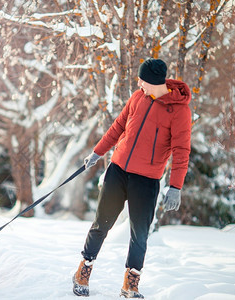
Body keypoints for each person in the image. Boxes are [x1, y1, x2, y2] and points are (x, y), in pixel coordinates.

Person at [72, 58, 191, 298]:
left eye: (142, 80)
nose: (139, 84)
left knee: (139, 234)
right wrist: (97, 153)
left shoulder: (179, 111)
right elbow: (118, 127)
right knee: (100, 224)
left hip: (146, 181)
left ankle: (131, 282)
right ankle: (83, 270)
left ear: (155, 82)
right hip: (117, 171)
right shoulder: (138, 97)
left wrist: (175, 186)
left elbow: (181, 151)